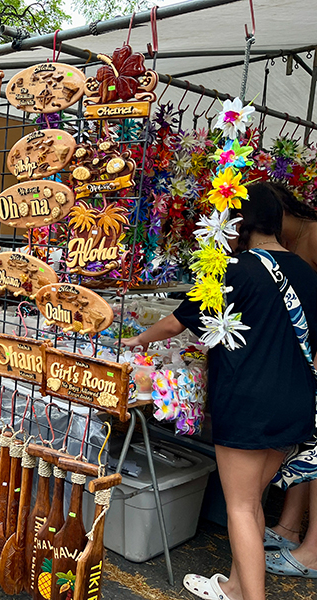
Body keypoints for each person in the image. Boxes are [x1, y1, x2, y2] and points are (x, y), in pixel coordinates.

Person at [123, 182, 317, 600]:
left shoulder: (233, 271)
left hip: (248, 403)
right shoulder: (305, 271)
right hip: (294, 404)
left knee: (242, 508)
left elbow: (176, 324)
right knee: (253, 500)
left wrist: (137, 342)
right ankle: (233, 585)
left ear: (237, 223)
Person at [261, 183, 317, 577]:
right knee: (306, 447)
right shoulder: (292, 242)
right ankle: (290, 526)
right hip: (305, 361)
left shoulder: (313, 235)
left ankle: (312, 553)